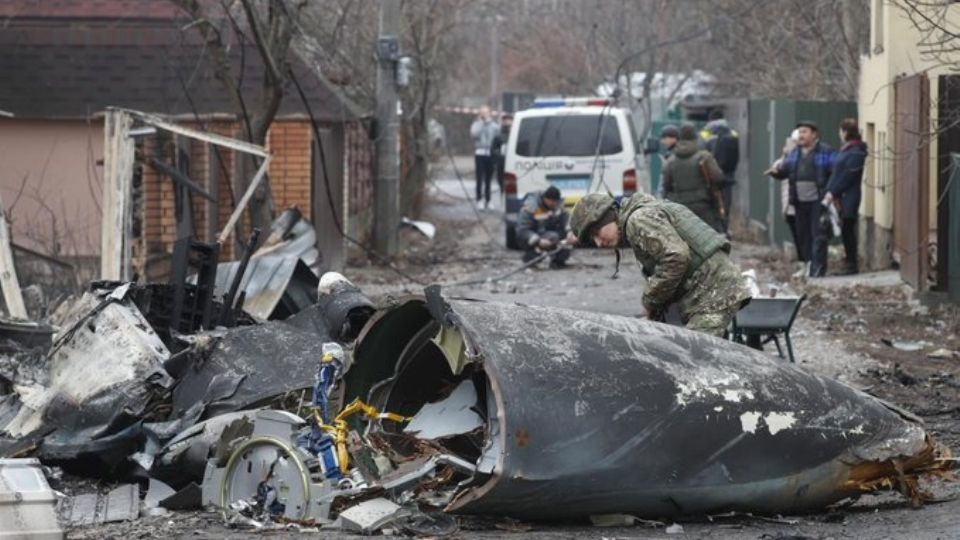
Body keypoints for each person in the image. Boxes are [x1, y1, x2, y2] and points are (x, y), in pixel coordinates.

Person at [569, 192, 751, 337]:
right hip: (710, 291)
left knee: (696, 359)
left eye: (597, 233)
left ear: (608, 217)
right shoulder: (641, 214)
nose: (598, 243)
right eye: (592, 239)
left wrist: (651, 298)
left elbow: (676, 257)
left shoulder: (638, 220)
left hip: (714, 293)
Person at [769, 121, 836, 277]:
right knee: (803, 236)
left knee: (818, 235)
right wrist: (776, 172)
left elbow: (835, 172)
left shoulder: (826, 151)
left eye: (804, 132)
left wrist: (830, 193)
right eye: (800, 132)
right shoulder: (795, 153)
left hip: (818, 201)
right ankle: (807, 265)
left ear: (814, 134)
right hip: (799, 202)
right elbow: (785, 170)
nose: (801, 135)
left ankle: (818, 269)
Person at [661, 123, 726, 233]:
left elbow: (666, 185)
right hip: (703, 205)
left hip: (681, 207)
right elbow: (718, 178)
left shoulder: (671, 160)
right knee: (708, 236)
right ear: (695, 137)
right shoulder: (704, 156)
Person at [824, 118, 867, 275]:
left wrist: (833, 191)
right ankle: (849, 261)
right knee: (845, 229)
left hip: (849, 196)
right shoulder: (848, 149)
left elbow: (847, 175)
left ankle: (851, 263)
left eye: (841, 131)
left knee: (848, 229)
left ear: (846, 132)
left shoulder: (856, 151)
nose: (840, 134)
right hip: (842, 196)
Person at [516, 186, 576, 269]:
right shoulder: (531, 207)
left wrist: (570, 232)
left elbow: (566, 219)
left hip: (550, 234)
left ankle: (559, 260)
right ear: (545, 199)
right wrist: (538, 240)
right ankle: (530, 258)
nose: (554, 204)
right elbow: (522, 230)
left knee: (564, 238)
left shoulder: (558, 206)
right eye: (552, 201)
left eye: (556, 201)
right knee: (551, 238)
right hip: (533, 236)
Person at [765, 131, 802, 264]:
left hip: (799, 202)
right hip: (789, 202)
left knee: (802, 234)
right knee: (796, 233)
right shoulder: (788, 159)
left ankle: (805, 260)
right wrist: (785, 155)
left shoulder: (801, 158)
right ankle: (802, 260)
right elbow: (777, 167)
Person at [700, 109, 740, 229]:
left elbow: (700, 154)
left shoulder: (705, 134)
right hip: (728, 176)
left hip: (710, 178)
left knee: (711, 206)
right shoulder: (733, 133)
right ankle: (725, 229)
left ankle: (714, 230)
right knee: (726, 205)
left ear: (710, 120)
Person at [470, 106, 500, 210]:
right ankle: (479, 199)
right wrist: (482, 124)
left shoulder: (495, 126)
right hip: (480, 152)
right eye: (482, 113)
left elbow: (497, 139)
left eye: (486, 113)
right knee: (479, 178)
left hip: (490, 154)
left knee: (488, 178)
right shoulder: (476, 125)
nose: (484, 115)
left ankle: (488, 199)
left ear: (489, 114)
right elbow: (474, 135)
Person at [656, 124, 679, 198]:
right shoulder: (671, 153)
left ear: (673, 138)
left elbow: (664, 182)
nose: (662, 142)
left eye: (664, 138)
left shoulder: (674, 156)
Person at [492, 113, 513, 194]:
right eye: (505, 120)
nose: (507, 122)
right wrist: (500, 155)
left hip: (513, 161)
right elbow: (493, 149)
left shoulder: (516, 133)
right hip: (502, 162)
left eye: (509, 120)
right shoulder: (498, 135)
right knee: (502, 183)